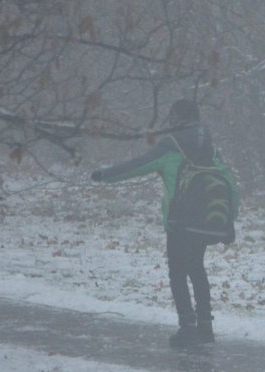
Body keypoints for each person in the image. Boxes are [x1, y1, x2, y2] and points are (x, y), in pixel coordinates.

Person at [91, 98, 221, 349]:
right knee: (197, 269)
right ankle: (206, 327)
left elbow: (138, 166)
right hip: (204, 221)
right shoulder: (212, 148)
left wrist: (106, 175)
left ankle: (187, 327)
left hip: (179, 221)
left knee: (177, 272)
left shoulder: (171, 145)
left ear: (176, 118)